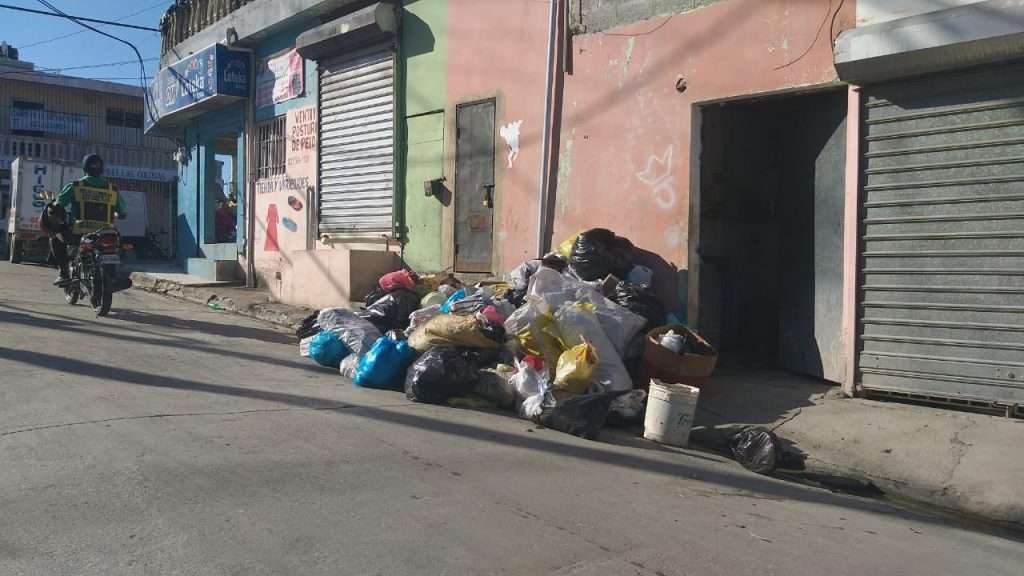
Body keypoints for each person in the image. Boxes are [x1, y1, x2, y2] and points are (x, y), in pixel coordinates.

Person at [50, 154, 126, 286]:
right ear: (101, 169)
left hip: (80, 231)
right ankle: (114, 274)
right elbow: (123, 213)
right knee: (117, 245)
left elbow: (58, 204)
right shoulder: (112, 189)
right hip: (106, 232)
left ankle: (64, 273)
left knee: (55, 238)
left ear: (84, 168)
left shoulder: (76, 186)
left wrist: (53, 210)